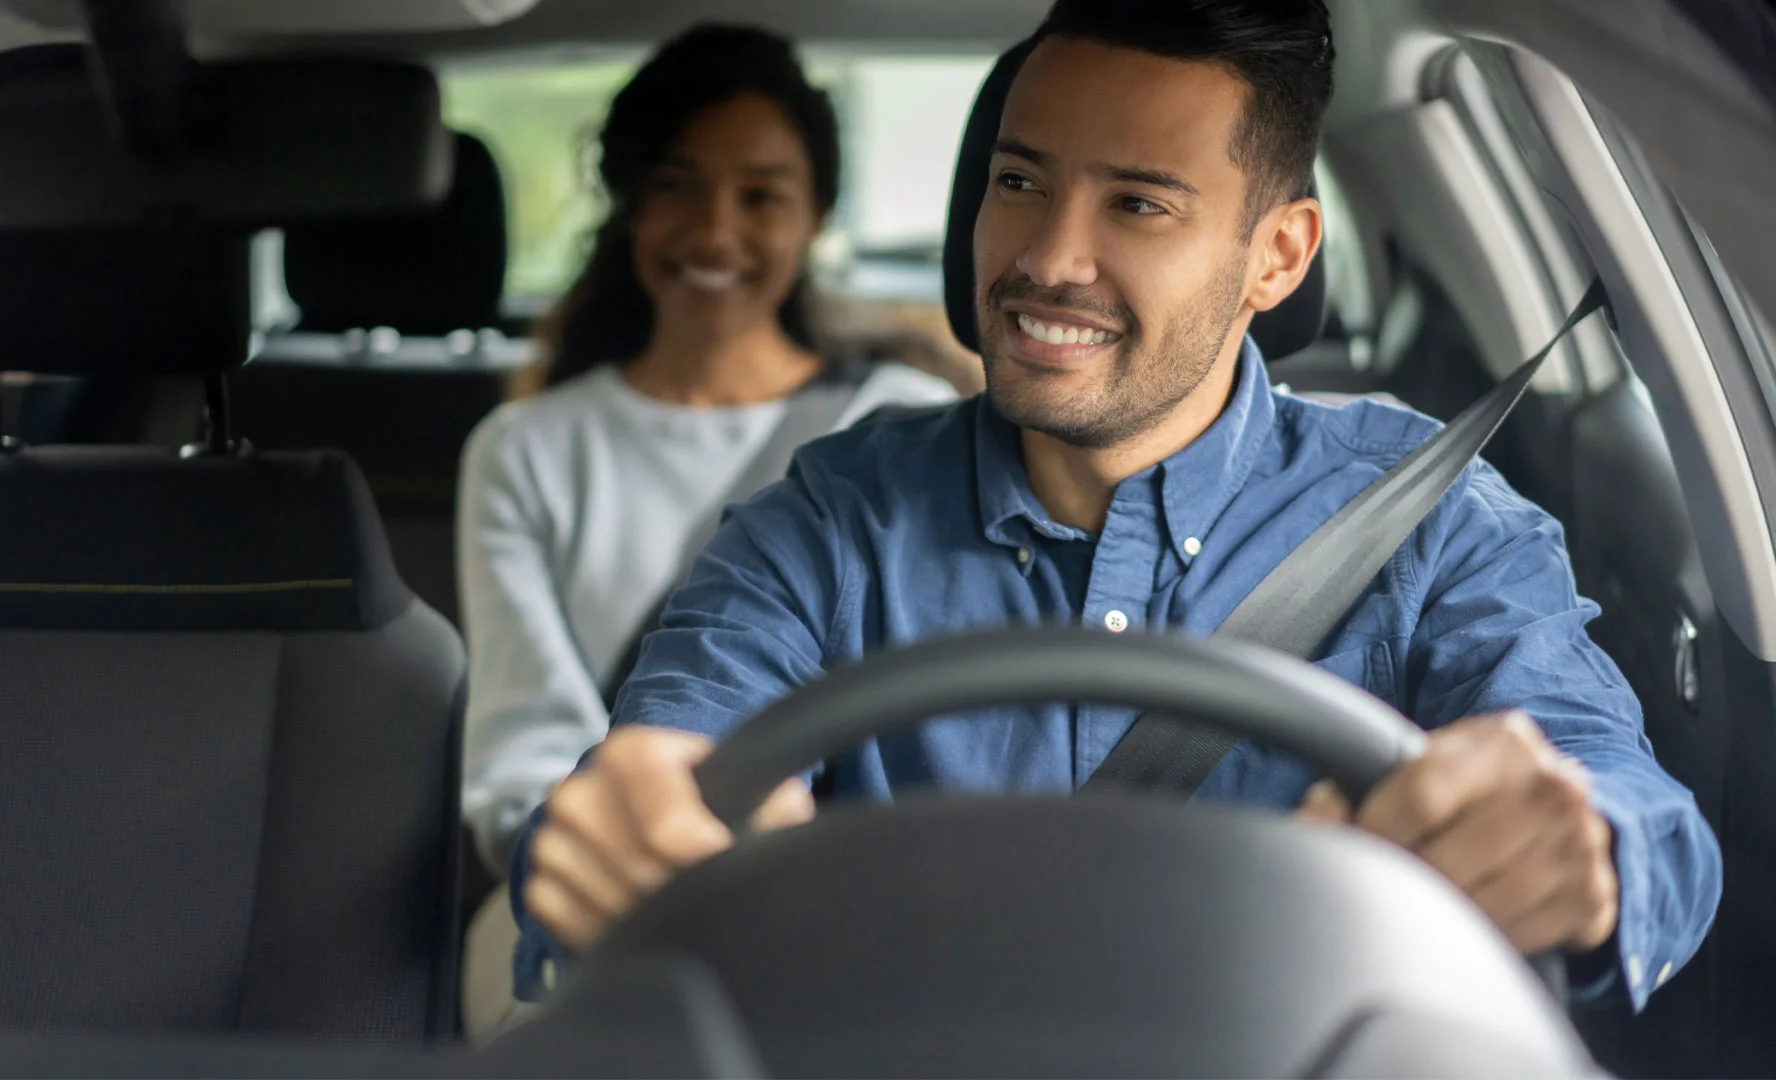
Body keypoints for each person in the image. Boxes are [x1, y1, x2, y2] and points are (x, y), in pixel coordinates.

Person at [510, 0, 1723, 1015]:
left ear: (1280, 256)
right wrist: (618, 828)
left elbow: (1635, 817)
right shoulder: (831, 518)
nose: (1049, 257)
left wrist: (1585, 851)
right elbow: (662, 765)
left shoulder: (1430, 519)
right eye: (1020, 181)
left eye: (1138, 205)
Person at [454, 23, 957, 1033]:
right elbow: (525, 746)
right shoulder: (526, 449)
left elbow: (937, 716)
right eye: (679, 185)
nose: (715, 231)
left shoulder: (900, 426)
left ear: (814, 216)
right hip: (608, 882)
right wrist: (625, 857)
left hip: (853, 879)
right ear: (632, 203)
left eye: (761, 195)